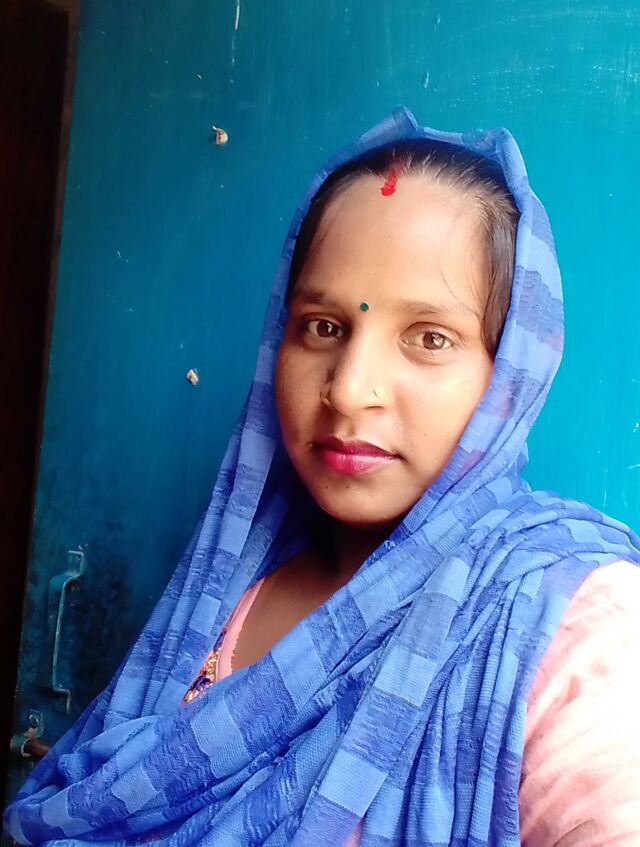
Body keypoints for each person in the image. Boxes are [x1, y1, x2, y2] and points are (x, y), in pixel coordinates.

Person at [5, 106, 640, 846]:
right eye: (324, 326)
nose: (348, 388)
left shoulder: (573, 625)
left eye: (429, 337)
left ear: (509, 378)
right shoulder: (224, 595)